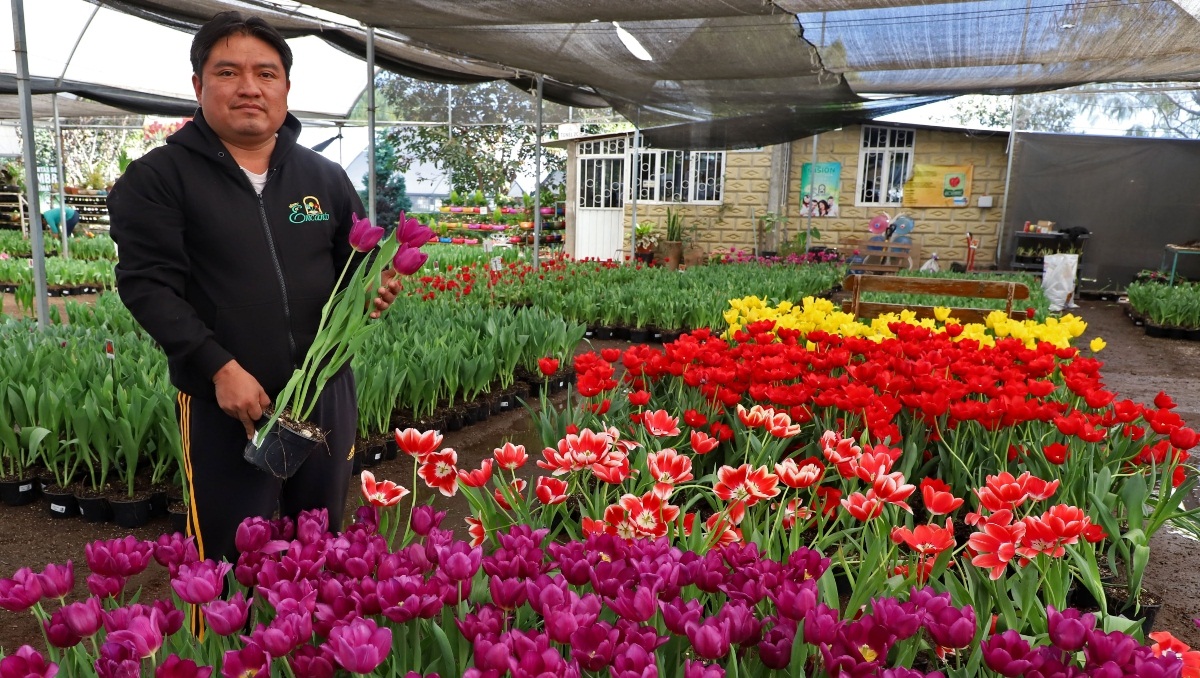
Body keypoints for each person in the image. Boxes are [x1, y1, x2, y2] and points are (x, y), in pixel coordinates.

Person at [108, 11, 400, 567]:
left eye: (266, 74)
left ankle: (311, 653)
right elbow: (148, 287)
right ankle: (226, 652)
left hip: (322, 393)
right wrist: (219, 367)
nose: (249, 87)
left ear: (286, 88)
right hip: (229, 402)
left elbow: (354, 268)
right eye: (228, 72)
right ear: (198, 86)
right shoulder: (158, 180)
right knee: (231, 553)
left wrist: (371, 293)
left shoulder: (324, 178)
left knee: (320, 543)